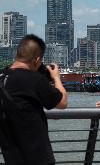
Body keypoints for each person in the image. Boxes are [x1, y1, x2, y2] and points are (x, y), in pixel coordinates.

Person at [0, 34, 68, 165]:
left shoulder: (2, 78)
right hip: (38, 158)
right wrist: (56, 78)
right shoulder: (34, 80)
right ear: (37, 60)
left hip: (12, 158)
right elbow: (62, 103)